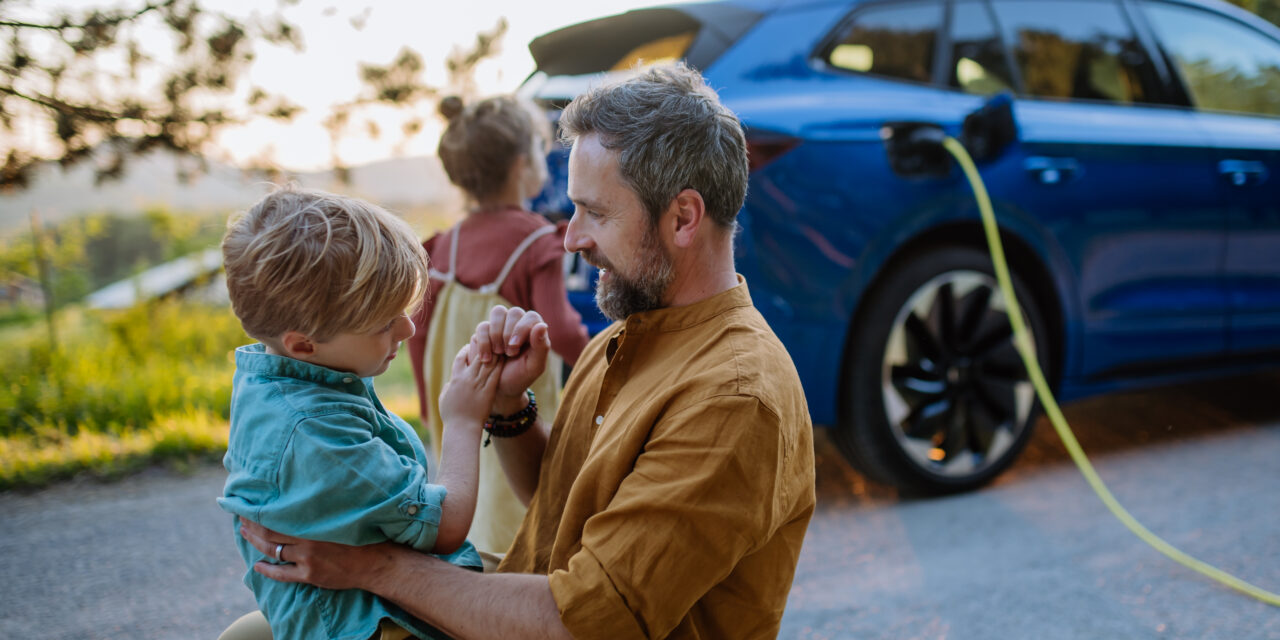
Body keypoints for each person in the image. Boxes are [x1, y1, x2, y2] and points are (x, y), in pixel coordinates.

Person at [239, 63, 816, 639]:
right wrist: (509, 406)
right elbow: (563, 502)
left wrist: (372, 567)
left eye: (596, 212)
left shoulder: (735, 397)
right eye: (573, 209)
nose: (571, 238)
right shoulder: (626, 337)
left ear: (683, 218)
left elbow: (581, 621)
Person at [217, 185, 504, 640]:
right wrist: (464, 419)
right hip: (374, 625)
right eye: (384, 323)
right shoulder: (317, 434)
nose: (408, 328)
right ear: (304, 343)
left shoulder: (277, 375)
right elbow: (445, 527)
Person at [410, 94, 588, 555]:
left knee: (469, 489)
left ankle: (474, 567)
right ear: (520, 163)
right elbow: (564, 331)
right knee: (521, 502)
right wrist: (604, 367)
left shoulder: (444, 245)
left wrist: (430, 404)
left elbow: (419, 335)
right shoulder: (534, 241)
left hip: (457, 396)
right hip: (514, 403)